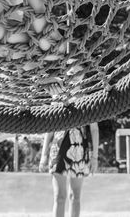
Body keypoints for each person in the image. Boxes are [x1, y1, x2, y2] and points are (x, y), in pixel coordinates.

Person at [39, 82, 99, 217]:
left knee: (75, 196)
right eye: (70, 69)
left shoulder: (88, 99)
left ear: (82, 74)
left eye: (77, 70)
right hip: (58, 148)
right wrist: (44, 154)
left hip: (79, 150)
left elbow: (94, 129)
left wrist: (95, 157)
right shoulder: (57, 97)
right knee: (59, 197)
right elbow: (49, 129)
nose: (73, 72)